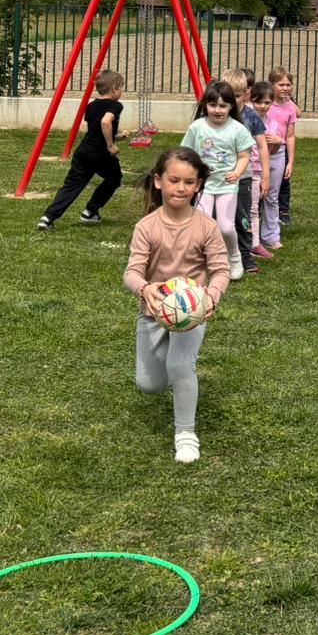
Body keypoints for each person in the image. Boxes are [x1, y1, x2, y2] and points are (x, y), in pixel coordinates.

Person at [124, 146, 229, 464]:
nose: (181, 188)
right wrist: (145, 289)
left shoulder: (206, 226)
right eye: (174, 180)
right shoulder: (146, 227)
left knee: (181, 366)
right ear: (159, 181)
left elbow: (221, 270)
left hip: (192, 315)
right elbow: (131, 273)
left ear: (198, 186)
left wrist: (211, 296)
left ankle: (185, 434)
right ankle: (176, 375)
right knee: (150, 384)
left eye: (189, 182)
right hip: (153, 314)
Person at [180, 80, 255, 281]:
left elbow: (244, 156)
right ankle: (204, 261)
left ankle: (234, 257)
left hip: (227, 186)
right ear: (205, 105)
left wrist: (237, 173)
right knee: (203, 225)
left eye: (223, 105)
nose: (217, 110)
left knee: (225, 227)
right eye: (213, 105)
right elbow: (185, 152)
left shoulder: (238, 129)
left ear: (231, 106)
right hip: (203, 187)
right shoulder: (197, 127)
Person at [38, 69, 128, 230]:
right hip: (101, 154)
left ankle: (47, 218)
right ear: (114, 89)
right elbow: (105, 122)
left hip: (84, 152)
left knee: (71, 186)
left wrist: (117, 137)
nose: (121, 92)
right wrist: (110, 145)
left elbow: (97, 131)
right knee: (114, 178)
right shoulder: (116, 105)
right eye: (121, 88)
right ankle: (90, 211)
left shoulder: (91, 106)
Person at [222, 68, 271, 268]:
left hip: (244, 176)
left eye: (236, 96)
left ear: (246, 94)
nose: (232, 101)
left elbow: (262, 146)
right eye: (228, 96)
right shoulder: (216, 114)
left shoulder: (251, 117)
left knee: (242, 217)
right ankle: (218, 255)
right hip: (219, 177)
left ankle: (245, 255)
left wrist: (266, 176)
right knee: (219, 217)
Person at [265, 67, 300, 233]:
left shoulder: (290, 107)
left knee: (282, 184)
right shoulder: (264, 104)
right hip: (262, 151)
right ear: (271, 85)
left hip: (280, 152)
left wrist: (290, 162)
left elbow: (291, 136)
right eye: (281, 84)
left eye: (288, 84)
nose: (285, 88)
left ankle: (281, 212)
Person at [245, 81, 277, 259]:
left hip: (258, 170)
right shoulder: (245, 117)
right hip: (243, 169)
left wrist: (277, 142)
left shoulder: (271, 123)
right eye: (259, 102)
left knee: (254, 208)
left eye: (267, 102)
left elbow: (270, 151)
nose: (263, 106)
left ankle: (255, 243)